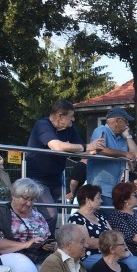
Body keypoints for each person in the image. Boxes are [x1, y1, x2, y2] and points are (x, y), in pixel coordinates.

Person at [25, 99, 99, 234]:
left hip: (57, 178)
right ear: (60, 116)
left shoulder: (69, 128)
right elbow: (57, 146)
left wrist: (98, 149)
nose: (73, 119)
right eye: (71, 116)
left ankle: (76, 240)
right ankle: (44, 245)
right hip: (37, 180)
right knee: (51, 214)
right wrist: (87, 146)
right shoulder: (42, 125)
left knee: (83, 206)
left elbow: (84, 150)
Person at [67, 184, 137, 272]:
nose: (101, 201)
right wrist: (112, 244)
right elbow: (87, 242)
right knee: (108, 263)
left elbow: (113, 235)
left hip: (111, 252)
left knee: (136, 263)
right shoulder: (76, 218)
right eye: (98, 198)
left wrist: (116, 245)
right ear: (88, 200)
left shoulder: (100, 216)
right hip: (90, 256)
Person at [86, 107, 137, 206]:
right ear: (118, 121)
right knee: (111, 218)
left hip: (115, 190)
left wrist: (128, 136)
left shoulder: (122, 137)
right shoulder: (101, 130)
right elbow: (100, 149)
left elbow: (136, 155)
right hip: (100, 189)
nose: (127, 124)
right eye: (126, 121)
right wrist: (124, 154)